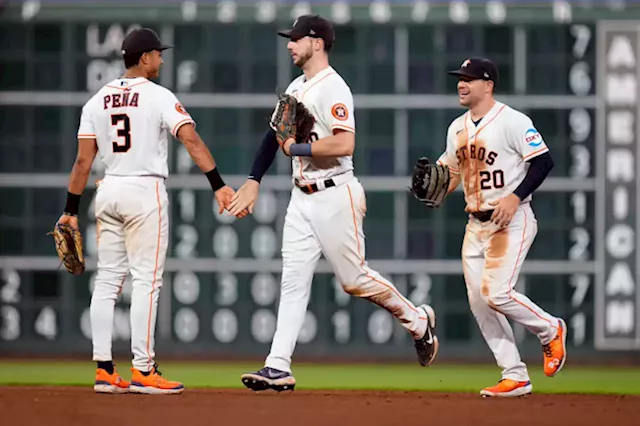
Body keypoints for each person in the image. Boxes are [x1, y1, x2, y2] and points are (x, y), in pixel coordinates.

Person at [227, 15, 439, 393]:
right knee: (292, 281)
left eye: (295, 39)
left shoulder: (333, 88)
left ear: (317, 42)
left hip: (335, 193)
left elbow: (344, 144)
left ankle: (418, 321)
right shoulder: (297, 86)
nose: (289, 45)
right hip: (301, 196)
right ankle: (277, 365)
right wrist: (254, 180)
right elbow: (273, 135)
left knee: (354, 280)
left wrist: (299, 148)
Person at [56, 28, 234, 394]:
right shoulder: (158, 96)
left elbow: (82, 161)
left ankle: (104, 370)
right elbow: (190, 138)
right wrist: (218, 184)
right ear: (145, 58)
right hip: (144, 191)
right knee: (146, 283)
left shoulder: (95, 102)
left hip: (108, 191)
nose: (162, 60)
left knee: (106, 282)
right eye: (158, 54)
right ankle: (143, 369)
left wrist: (70, 210)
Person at [432, 57, 567, 397]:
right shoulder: (457, 129)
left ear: (488, 85)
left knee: (497, 293)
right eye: (460, 79)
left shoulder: (513, 121)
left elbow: (543, 162)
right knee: (479, 302)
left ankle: (550, 329)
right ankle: (515, 375)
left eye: (469, 79)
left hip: (511, 219)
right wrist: (436, 190)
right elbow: (451, 172)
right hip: (475, 224)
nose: (462, 84)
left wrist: (515, 196)